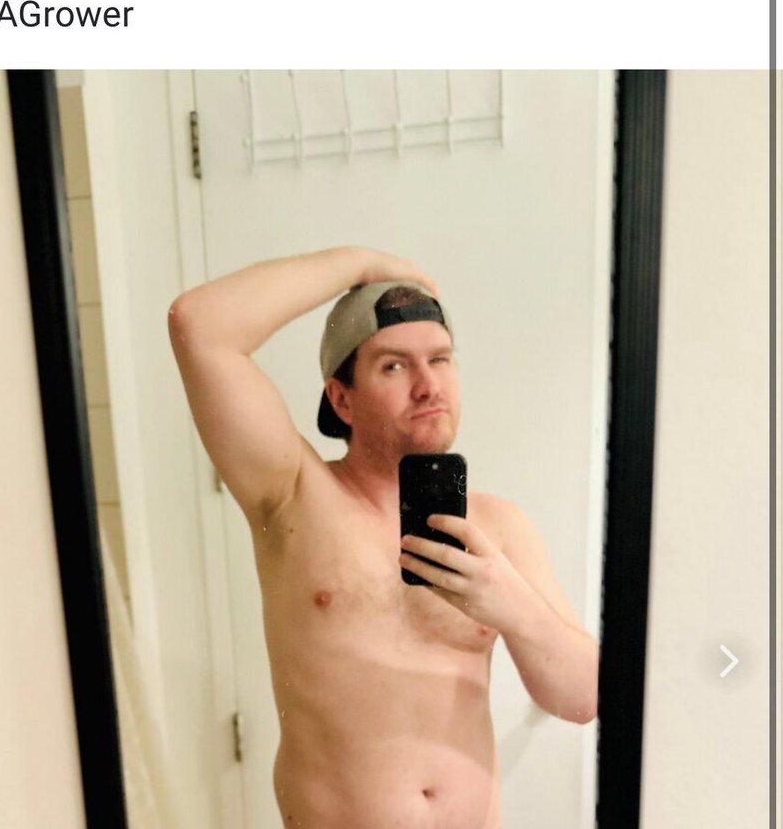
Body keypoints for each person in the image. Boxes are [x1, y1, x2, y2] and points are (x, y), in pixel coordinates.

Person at [169, 247, 597, 829]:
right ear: (341, 398)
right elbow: (199, 325)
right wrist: (362, 264)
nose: (428, 386)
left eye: (440, 360)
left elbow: (583, 698)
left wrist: (511, 604)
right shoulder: (293, 495)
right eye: (394, 366)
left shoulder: (499, 528)